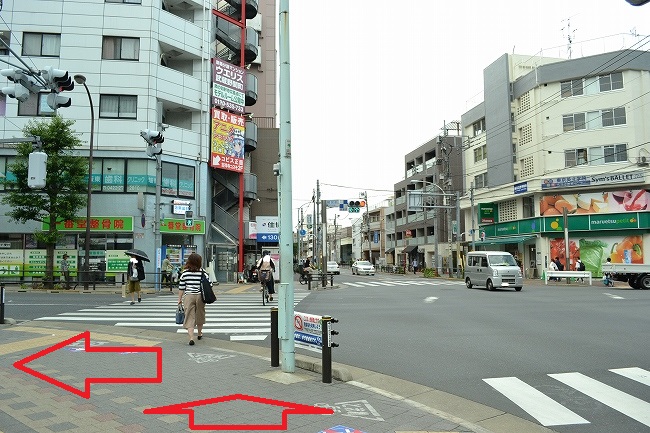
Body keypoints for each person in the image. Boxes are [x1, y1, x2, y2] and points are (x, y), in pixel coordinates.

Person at [176, 252, 209, 345]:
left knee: (189, 316)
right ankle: (199, 333)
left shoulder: (185, 273)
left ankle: (191, 337)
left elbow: (181, 287)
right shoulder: (203, 272)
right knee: (200, 314)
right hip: (200, 296)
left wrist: (179, 299)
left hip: (188, 296)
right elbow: (209, 284)